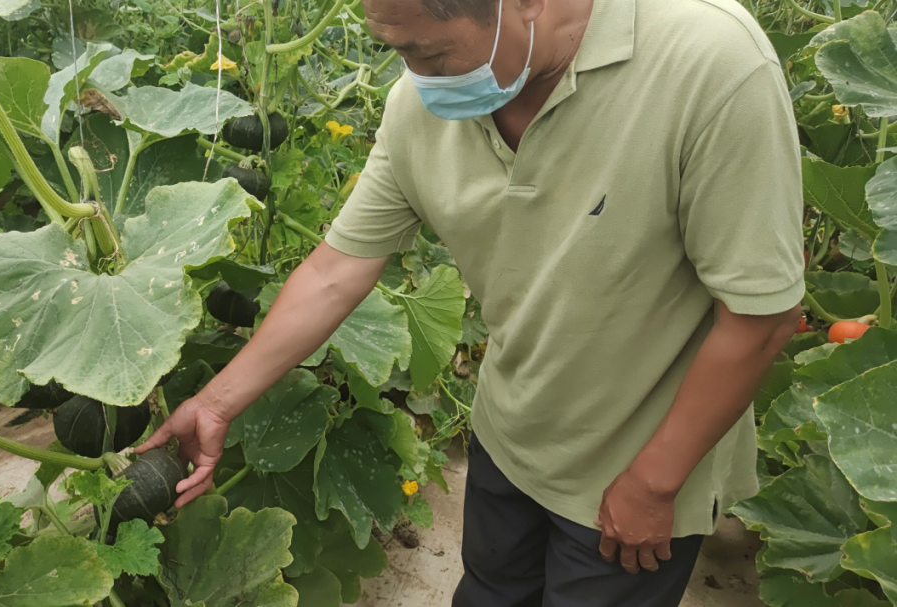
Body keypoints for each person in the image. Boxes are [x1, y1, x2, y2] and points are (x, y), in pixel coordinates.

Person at [137, 0, 806, 604]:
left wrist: (656, 482)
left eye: (429, 53)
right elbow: (336, 271)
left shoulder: (711, 65)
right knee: (489, 592)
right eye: (397, 51)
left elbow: (762, 315)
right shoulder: (418, 104)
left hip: (636, 469)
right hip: (510, 435)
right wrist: (218, 402)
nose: (415, 76)